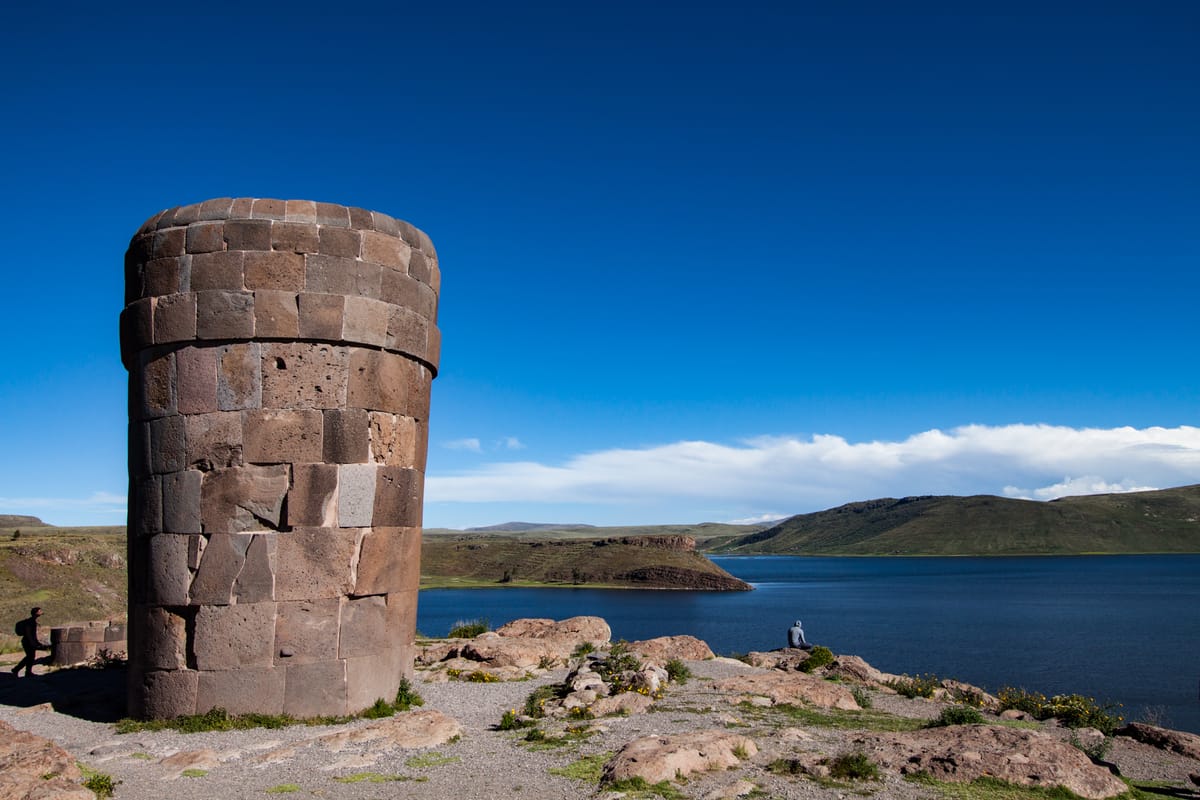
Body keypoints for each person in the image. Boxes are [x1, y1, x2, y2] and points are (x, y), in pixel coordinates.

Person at [12, 607, 50, 677]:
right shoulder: (31, 622)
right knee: (30, 656)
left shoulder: (32, 621)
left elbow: (32, 634)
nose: (41, 612)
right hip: (27, 642)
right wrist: (33, 643)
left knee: (30, 657)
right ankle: (19, 670)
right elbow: (29, 633)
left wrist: (36, 643)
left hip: (28, 641)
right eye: (39, 611)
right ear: (36, 613)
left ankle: (23, 671)